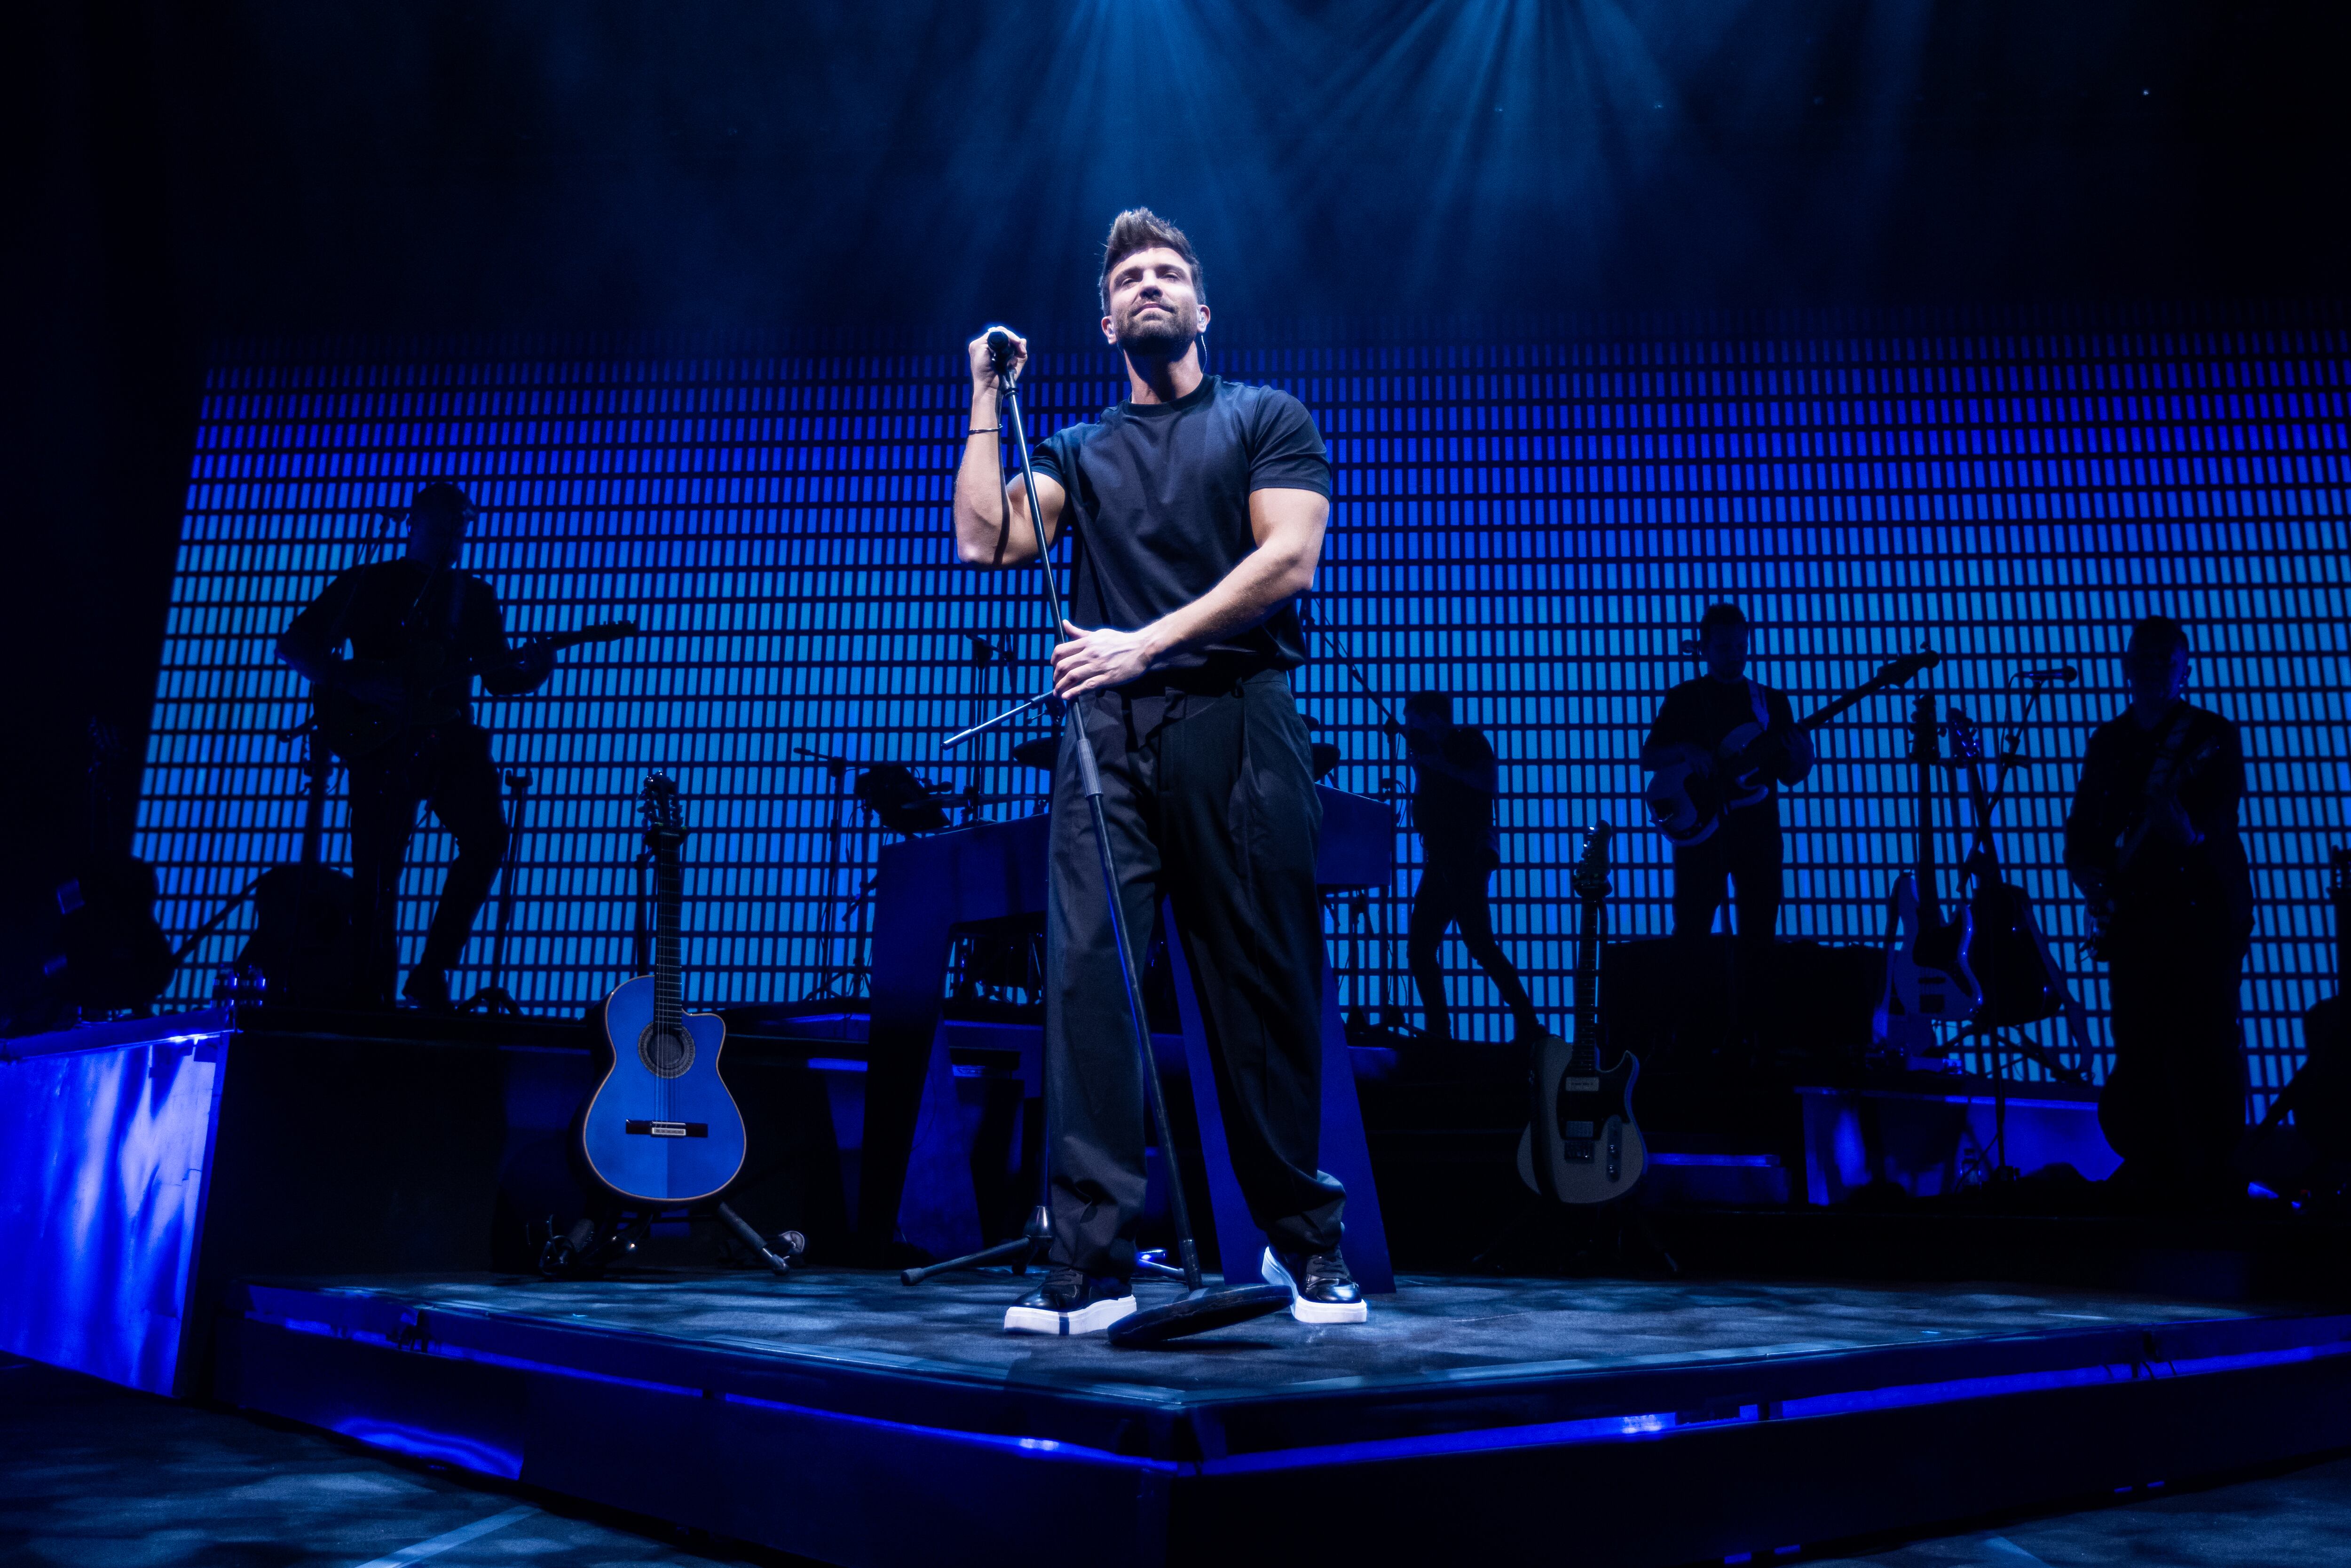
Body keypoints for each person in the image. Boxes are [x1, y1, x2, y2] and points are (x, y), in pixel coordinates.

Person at [949, 207, 1363, 1334]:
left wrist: (1146, 639)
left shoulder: (1264, 418)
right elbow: (988, 540)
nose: (1147, 285)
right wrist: (986, 395)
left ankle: (1305, 1247)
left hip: (1236, 719)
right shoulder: (1079, 449)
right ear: (1105, 318)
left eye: (1167, 272)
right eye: (1128, 275)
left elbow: (1288, 558)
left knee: (1258, 985)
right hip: (1106, 740)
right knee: (1090, 983)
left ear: (1200, 307)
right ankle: (1089, 1265)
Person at [276, 484, 552, 1010]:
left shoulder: (474, 596)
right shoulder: (369, 582)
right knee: (377, 869)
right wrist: (353, 682)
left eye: (461, 527)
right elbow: (295, 644)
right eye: (444, 525)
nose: (453, 537)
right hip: (380, 740)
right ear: (415, 522)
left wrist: (533, 672)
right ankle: (371, 990)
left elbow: (496, 678)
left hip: (451, 736)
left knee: (488, 837)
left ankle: (433, 969)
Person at [2065, 615, 2252, 1198]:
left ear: (2183, 668)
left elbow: (2221, 813)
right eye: (2141, 659)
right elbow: (2086, 824)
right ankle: (2151, 1163)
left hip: (2201, 913)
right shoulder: (2108, 741)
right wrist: (2085, 870)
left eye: (2162, 660)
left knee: (2207, 1035)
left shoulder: (2211, 735)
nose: (2150, 670)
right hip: (2135, 915)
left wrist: (2189, 835)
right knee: (2137, 1036)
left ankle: (2219, 1169)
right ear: (2125, 666)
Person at [1641, 604, 1814, 959]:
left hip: (1760, 836)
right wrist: (1686, 749)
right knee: (1691, 934)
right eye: (1723, 648)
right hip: (1701, 836)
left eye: (1740, 646)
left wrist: (1804, 758)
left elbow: (1790, 775)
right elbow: (1649, 758)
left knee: (1760, 935)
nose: (1735, 656)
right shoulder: (1685, 698)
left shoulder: (1772, 702)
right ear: (1703, 648)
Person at [1399, 690, 1544, 1042]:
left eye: (1414, 719)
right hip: (1439, 859)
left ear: (1432, 717)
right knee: (1422, 948)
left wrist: (1439, 766)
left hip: (1465, 858)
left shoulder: (1470, 741)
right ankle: (1440, 1031)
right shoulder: (1428, 753)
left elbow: (1485, 783)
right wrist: (1423, 773)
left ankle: (1529, 1024)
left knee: (1478, 943)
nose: (1410, 728)